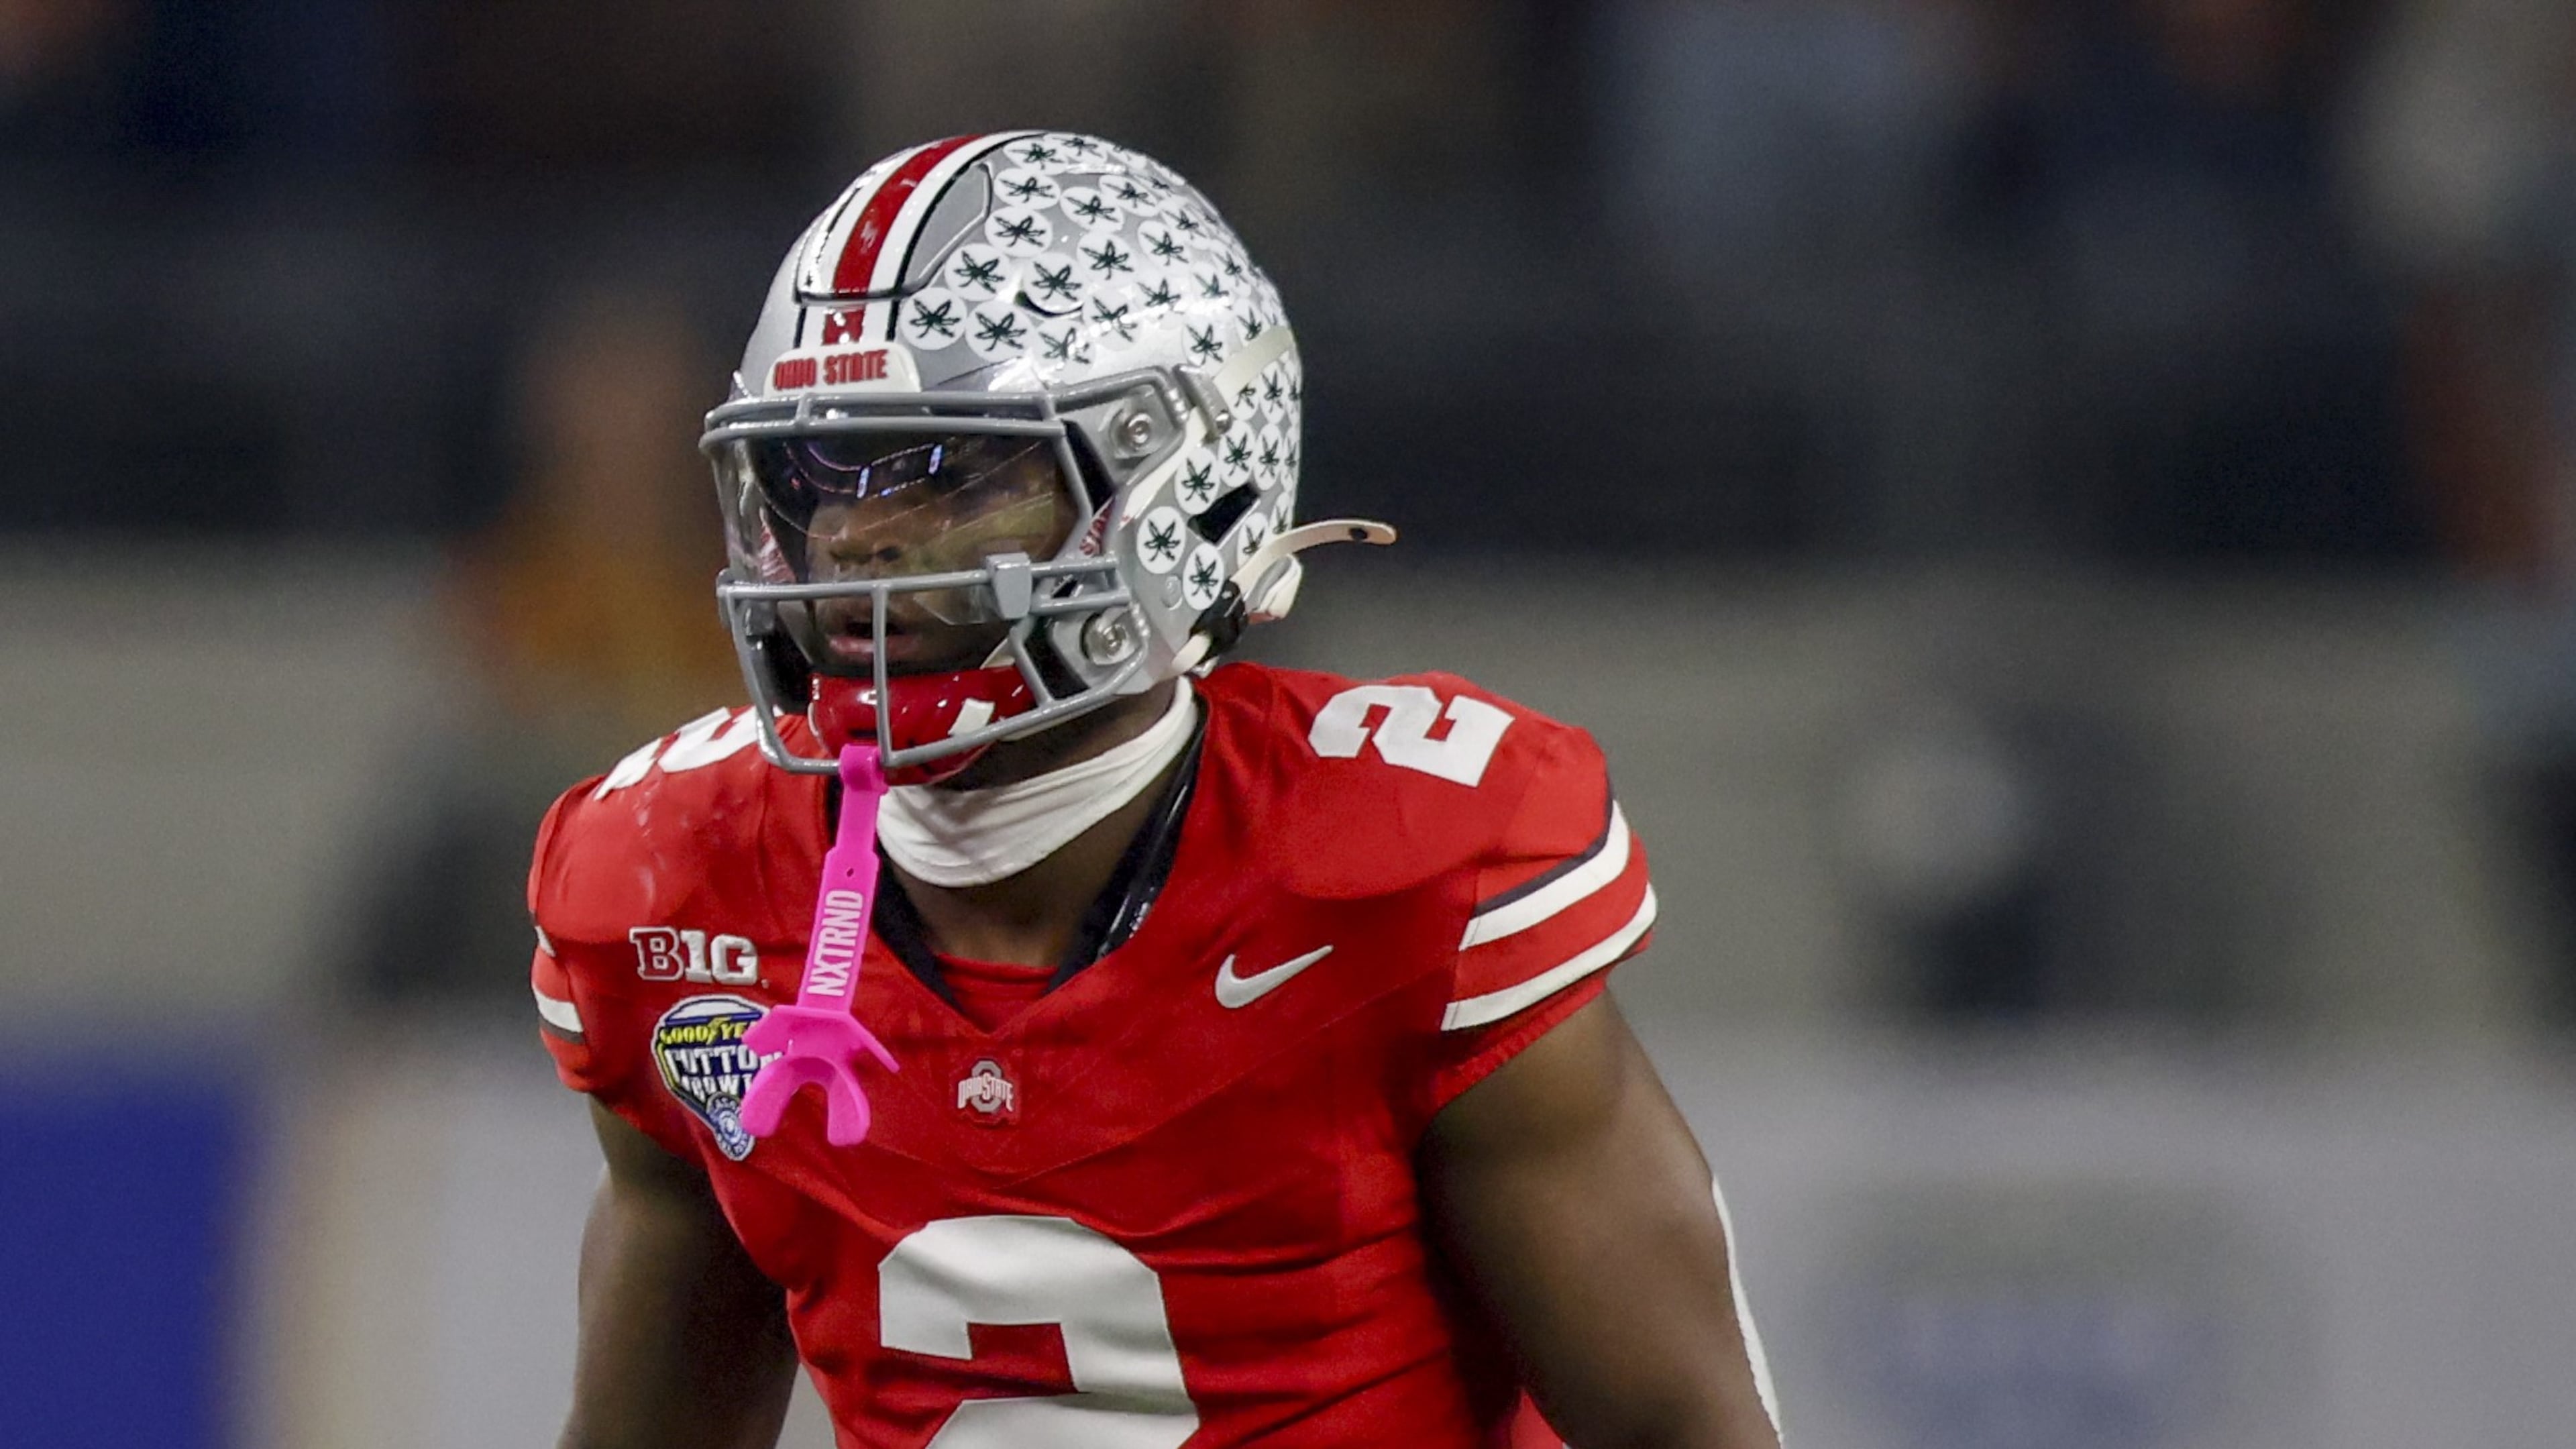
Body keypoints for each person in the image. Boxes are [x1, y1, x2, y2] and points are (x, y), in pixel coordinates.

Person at [528, 131, 1782, 1448]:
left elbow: (1686, 1424)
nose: (855, 541)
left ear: (1193, 485)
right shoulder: (678, 882)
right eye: (819, 477)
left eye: (949, 474)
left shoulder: (1400, 873)